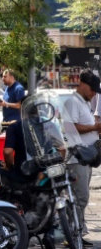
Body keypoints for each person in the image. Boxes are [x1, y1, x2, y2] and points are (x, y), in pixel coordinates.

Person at [63, 70, 101, 244]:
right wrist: (95, 127)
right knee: (80, 197)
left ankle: (77, 232)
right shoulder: (73, 102)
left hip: (85, 158)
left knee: (81, 197)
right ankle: (72, 234)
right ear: (83, 85)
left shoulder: (85, 103)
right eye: (92, 90)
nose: (94, 93)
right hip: (76, 158)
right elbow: (71, 128)